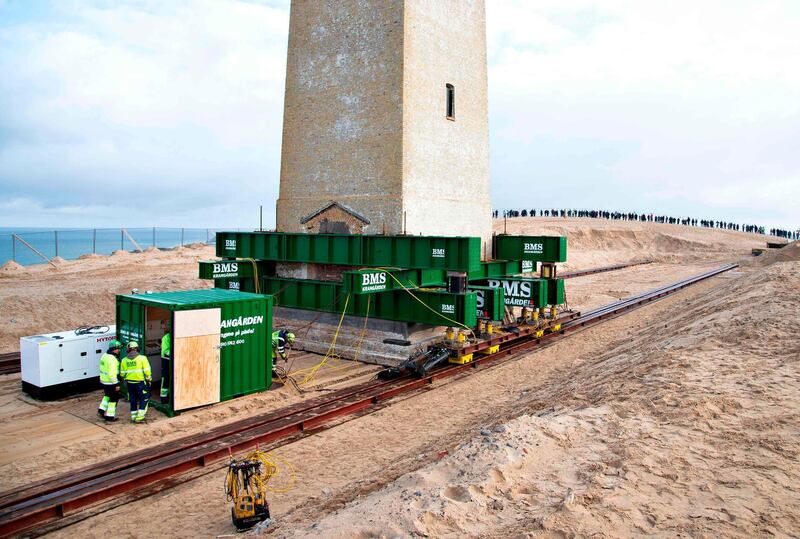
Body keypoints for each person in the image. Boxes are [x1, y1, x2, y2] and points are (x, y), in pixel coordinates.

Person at [120, 341, 152, 423]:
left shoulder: (124, 360)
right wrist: (149, 380)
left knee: (133, 399)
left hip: (129, 384)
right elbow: (147, 371)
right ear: (137, 349)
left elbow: (122, 374)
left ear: (128, 349)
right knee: (144, 398)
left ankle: (133, 417)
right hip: (140, 383)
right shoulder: (142, 358)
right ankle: (140, 417)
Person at [97, 340, 123, 422]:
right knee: (114, 399)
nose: (119, 350)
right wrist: (116, 384)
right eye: (118, 349)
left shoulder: (104, 355)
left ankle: (101, 411)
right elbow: (112, 374)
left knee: (107, 395)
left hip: (103, 381)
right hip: (111, 382)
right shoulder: (112, 359)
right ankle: (110, 417)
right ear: (114, 349)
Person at [160, 323, 171, 403]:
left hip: (171, 359)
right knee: (166, 378)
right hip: (166, 360)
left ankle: (169, 396)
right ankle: (163, 398)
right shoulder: (166, 337)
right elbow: (165, 351)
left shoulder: (172, 336)